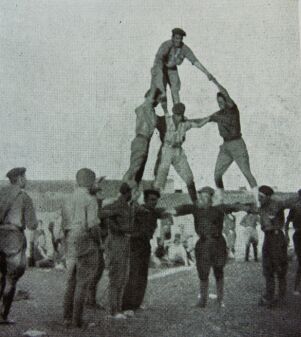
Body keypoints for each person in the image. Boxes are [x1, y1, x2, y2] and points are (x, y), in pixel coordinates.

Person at [172, 186, 253, 308]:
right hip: (203, 243)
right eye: (201, 196)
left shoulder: (219, 208)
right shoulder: (195, 208)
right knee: (203, 273)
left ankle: (220, 300)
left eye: (206, 197)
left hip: (217, 243)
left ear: (211, 198)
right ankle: (202, 301)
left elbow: (236, 207)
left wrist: (249, 207)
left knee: (219, 271)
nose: (203, 199)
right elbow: (176, 210)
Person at [99, 183, 149, 319]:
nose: (139, 194)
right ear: (128, 192)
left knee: (123, 276)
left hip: (125, 242)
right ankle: (113, 310)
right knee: (117, 276)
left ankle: (118, 308)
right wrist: (115, 227)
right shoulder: (118, 204)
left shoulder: (130, 205)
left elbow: (144, 211)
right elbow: (101, 214)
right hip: (116, 242)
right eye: (136, 191)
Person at [207, 78, 258, 203]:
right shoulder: (218, 114)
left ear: (226, 101)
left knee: (246, 172)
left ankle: (257, 200)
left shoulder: (232, 109)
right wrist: (186, 122)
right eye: (218, 102)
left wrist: (215, 81)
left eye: (221, 101)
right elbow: (203, 120)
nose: (220, 104)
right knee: (217, 174)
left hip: (237, 144)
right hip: (225, 146)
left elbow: (224, 92)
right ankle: (220, 199)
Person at [62, 168, 101, 328]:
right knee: (82, 282)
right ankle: (77, 319)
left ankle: (66, 317)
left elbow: (64, 226)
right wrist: (98, 242)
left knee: (70, 282)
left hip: (70, 239)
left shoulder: (67, 198)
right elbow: (93, 225)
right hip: (85, 239)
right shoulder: (90, 199)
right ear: (91, 181)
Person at [122, 189, 171, 314]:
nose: (154, 202)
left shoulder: (154, 212)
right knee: (134, 274)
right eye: (152, 200)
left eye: (156, 200)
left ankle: (136, 303)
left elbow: (166, 215)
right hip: (135, 243)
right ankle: (126, 306)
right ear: (145, 200)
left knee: (143, 274)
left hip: (145, 244)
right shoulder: (137, 210)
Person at [0, 167, 38, 324]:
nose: (27, 180)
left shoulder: (1, 193)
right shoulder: (24, 197)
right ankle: (2, 316)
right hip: (13, 239)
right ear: (20, 179)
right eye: (25, 177)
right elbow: (32, 224)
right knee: (11, 278)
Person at [153, 102, 210, 202]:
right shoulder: (166, 120)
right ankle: (152, 204)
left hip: (178, 151)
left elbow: (198, 124)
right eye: (177, 114)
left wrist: (209, 118)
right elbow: (153, 119)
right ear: (173, 113)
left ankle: (195, 203)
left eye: (180, 115)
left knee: (189, 178)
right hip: (167, 150)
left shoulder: (185, 124)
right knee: (160, 179)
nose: (178, 117)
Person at [257, 185, 298, 307]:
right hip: (267, 238)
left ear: (269, 196)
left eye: (261, 197)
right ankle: (269, 296)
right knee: (267, 268)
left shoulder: (277, 203)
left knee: (279, 268)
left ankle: (281, 298)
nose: (259, 199)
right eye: (258, 196)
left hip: (277, 238)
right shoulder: (262, 207)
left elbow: (289, 202)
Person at [149, 28, 213, 104]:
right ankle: (164, 112)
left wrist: (207, 73)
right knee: (160, 91)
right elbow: (158, 60)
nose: (178, 41)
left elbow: (195, 61)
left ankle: (177, 111)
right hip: (160, 68)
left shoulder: (184, 48)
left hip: (172, 70)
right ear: (172, 37)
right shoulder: (166, 45)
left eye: (180, 39)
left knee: (175, 90)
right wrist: (159, 76)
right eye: (176, 38)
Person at [122, 89, 166, 187]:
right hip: (141, 139)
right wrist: (158, 85)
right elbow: (150, 97)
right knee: (134, 169)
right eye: (158, 99)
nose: (159, 102)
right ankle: (122, 192)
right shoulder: (146, 107)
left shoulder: (151, 112)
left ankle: (130, 193)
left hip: (144, 141)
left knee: (138, 172)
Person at [285, 189, 301, 295]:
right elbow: (287, 222)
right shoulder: (295, 207)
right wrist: (286, 235)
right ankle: (296, 287)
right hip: (298, 235)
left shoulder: (294, 207)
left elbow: (287, 223)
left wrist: (286, 235)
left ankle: (296, 287)